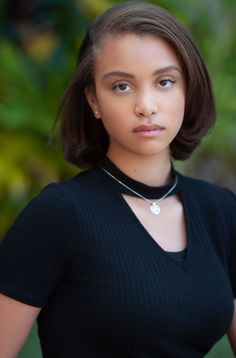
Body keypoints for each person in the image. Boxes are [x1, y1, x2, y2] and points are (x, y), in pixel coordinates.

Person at [0, 2, 235, 357]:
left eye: (165, 82)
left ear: (188, 89)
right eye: (122, 86)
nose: (146, 105)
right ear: (93, 99)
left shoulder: (221, 211)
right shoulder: (60, 214)